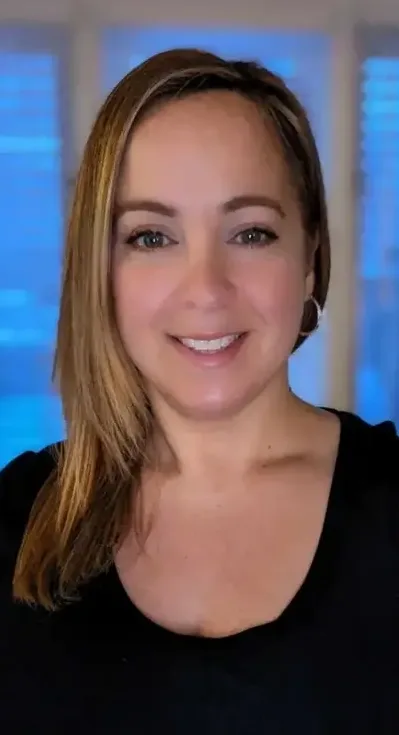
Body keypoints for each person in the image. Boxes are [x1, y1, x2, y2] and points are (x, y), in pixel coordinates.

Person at [0, 47, 398, 735]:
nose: (206, 290)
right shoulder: (15, 524)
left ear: (309, 260)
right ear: (102, 273)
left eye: (250, 232)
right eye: (151, 236)